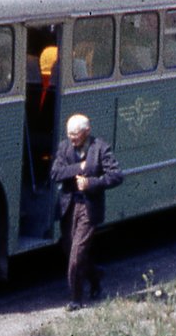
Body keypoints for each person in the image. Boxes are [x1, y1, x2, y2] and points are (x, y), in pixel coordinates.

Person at [51, 114, 124, 308]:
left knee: (76, 254)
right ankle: (95, 276)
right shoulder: (64, 147)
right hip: (69, 207)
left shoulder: (101, 148)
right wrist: (79, 167)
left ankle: (76, 299)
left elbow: (116, 176)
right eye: (69, 134)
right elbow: (56, 173)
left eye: (76, 134)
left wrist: (91, 183)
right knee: (69, 249)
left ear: (87, 132)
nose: (72, 138)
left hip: (89, 209)